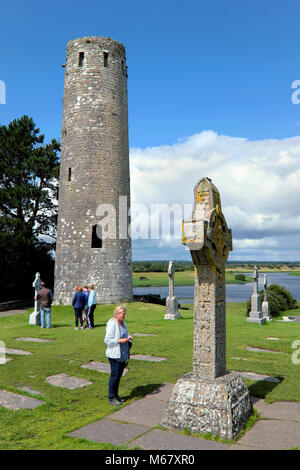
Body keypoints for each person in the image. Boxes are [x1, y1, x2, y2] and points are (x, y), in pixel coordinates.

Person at [104, 305, 133, 406]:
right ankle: (111, 397)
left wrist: (128, 337)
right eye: (122, 314)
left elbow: (125, 333)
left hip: (122, 353)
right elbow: (107, 340)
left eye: (124, 314)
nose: (124, 316)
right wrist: (120, 340)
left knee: (118, 376)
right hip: (114, 354)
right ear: (117, 314)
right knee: (115, 376)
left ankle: (116, 396)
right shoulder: (112, 323)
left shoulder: (122, 322)